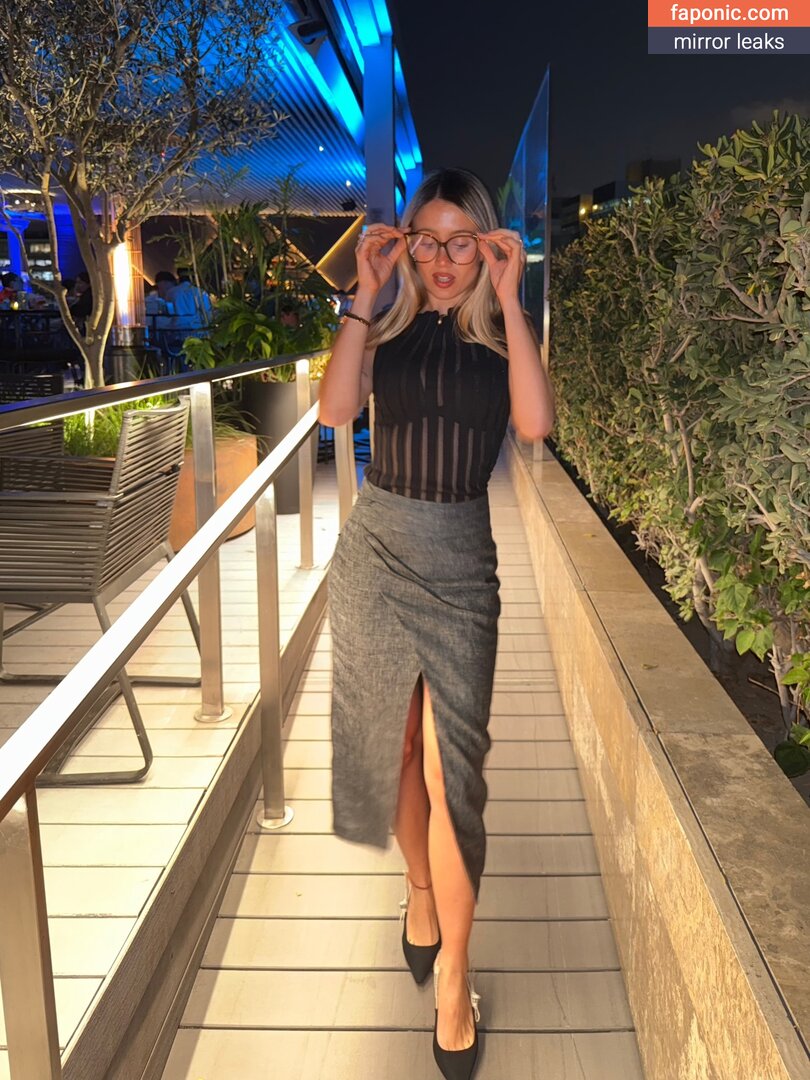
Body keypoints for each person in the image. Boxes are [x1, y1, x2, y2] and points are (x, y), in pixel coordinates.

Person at [319, 167, 555, 1079]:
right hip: (375, 553)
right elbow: (337, 411)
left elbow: (533, 425)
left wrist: (513, 300)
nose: (444, 258)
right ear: (407, 244)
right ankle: (418, 890)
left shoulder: (501, 341)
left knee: (456, 777)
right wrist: (363, 292)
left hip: (461, 562)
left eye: (463, 242)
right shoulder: (385, 328)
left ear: (487, 245)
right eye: (429, 240)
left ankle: (455, 973)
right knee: (396, 753)